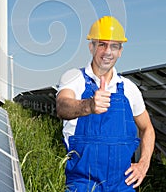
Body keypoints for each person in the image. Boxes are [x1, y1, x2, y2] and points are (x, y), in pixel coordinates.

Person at [56, 16, 155, 192]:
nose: (108, 51)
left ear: (120, 51)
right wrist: (88, 106)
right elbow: (62, 106)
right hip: (83, 182)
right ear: (91, 46)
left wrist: (143, 164)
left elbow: (147, 128)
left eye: (114, 46)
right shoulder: (73, 78)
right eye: (102, 44)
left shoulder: (130, 89)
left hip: (122, 184)